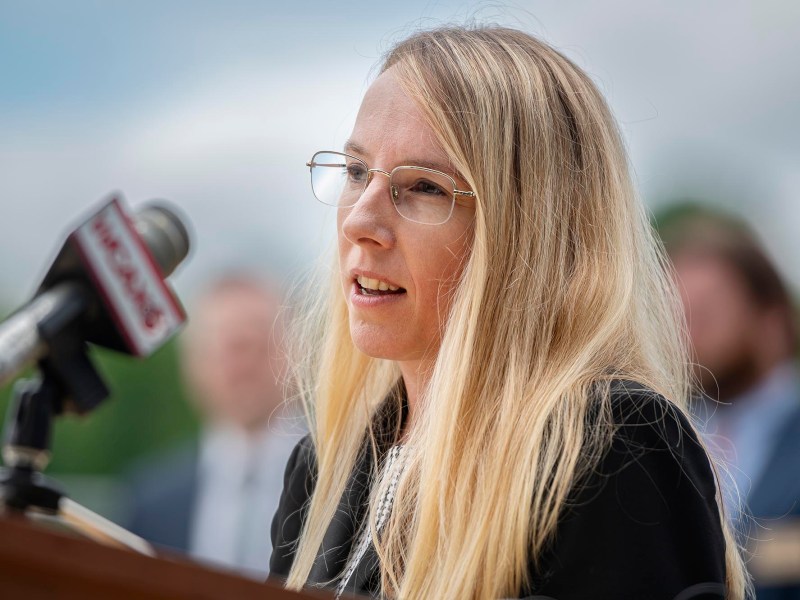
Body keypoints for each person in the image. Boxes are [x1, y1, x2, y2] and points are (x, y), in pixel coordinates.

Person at [269, 26, 750, 599]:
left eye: (423, 186)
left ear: (527, 234)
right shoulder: (323, 466)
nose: (358, 223)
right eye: (355, 172)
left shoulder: (611, 445)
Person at [664, 207, 800, 598]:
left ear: (771, 321)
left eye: (705, 315)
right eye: (677, 315)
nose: (685, 337)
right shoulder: (667, 435)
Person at [128, 276, 302, 579]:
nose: (245, 365)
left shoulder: (352, 485)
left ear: (298, 352)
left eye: (261, 343)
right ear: (192, 365)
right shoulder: (149, 502)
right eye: (229, 347)